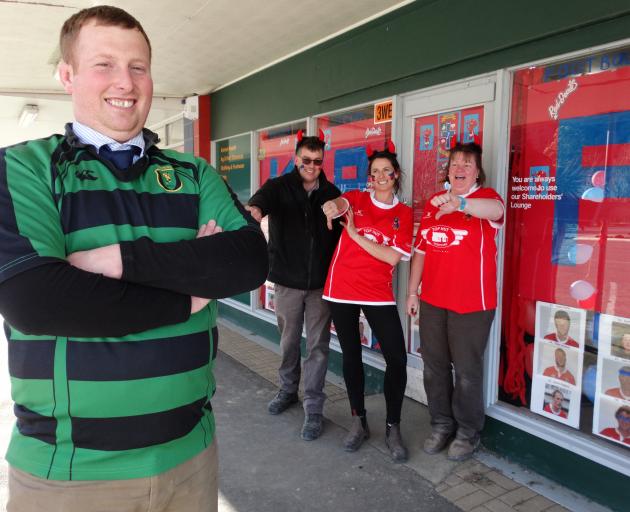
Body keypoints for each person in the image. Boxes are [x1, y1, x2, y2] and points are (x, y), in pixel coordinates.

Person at [0, 6, 267, 512]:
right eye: (104, 64)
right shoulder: (23, 169)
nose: (125, 81)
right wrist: (188, 293)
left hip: (191, 456)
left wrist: (119, 260)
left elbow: (247, 261)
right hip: (71, 475)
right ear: (67, 74)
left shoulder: (193, 173)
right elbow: (37, 300)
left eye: (138, 66)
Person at [406, 141, 504, 461]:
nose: (459, 169)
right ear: (448, 170)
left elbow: (497, 212)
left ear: (477, 171)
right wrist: (412, 292)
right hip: (433, 301)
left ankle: (468, 431)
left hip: (472, 305)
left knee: (466, 372)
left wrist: (460, 204)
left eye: (466, 164)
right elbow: (421, 253)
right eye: (454, 164)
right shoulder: (434, 205)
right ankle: (442, 424)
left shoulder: (485, 199)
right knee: (434, 368)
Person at [246, 131, 341, 441]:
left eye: (317, 161)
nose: (311, 166)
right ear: (296, 159)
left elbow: (345, 233)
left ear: (322, 161)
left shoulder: (331, 193)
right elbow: (261, 201)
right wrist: (255, 211)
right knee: (288, 343)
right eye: (306, 160)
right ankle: (288, 390)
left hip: (319, 286)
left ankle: (313, 407)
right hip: (287, 281)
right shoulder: (280, 187)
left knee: (317, 348)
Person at [322, 142, 413, 462]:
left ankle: (393, 427)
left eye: (386, 171)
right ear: (370, 178)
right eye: (374, 172)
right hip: (342, 288)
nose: (380, 176)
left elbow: (390, 257)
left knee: (397, 360)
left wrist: (358, 237)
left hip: (377, 293)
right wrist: (332, 206)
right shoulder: (358, 199)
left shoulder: (404, 213)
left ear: (396, 175)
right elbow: (340, 201)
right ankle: (358, 421)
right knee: (351, 356)